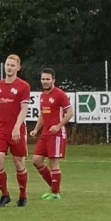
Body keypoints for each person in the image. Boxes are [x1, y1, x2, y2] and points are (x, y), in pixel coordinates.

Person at [0, 54, 31, 207]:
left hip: (17, 128)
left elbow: (24, 109)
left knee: (19, 163)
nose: (9, 67)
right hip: (1, 128)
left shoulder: (23, 86)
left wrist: (17, 127)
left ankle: (23, 196)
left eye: (12, 65)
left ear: (18, 68)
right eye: (7, 64)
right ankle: (5, 195)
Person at [30, 68, 74, 200]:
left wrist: (59, 126)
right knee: (36, 160)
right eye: (43, 79)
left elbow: (70, 112)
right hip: (45, 134)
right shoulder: (43, 96)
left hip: (57, 134)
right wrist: (36, 129)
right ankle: (54, 187)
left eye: (48, 79)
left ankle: (55, 194)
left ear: (53, 80)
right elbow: (43, 115)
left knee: (53, 163)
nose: (45, 81)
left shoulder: (60, 94)